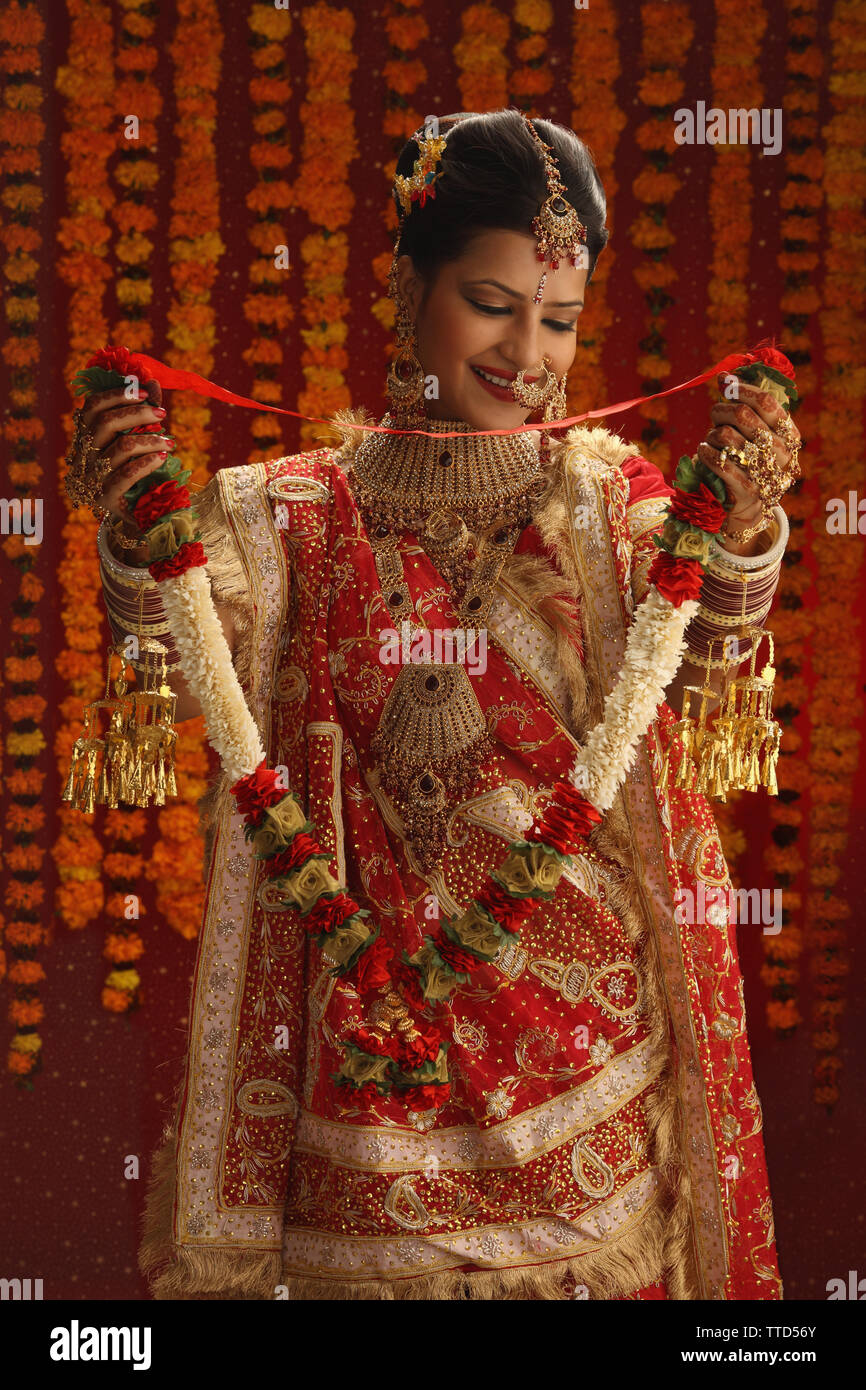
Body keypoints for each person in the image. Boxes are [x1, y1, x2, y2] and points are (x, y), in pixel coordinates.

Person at [75, 110, 798, 1300]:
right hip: (362, 1079)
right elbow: (170, 641)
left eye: (559, 319)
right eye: (493, 302)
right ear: (406, 290)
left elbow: (708, 651)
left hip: (585, 1077)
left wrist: (746, 517)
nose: (530, 352)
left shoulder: (603, 502)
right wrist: (130, 516)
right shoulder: (291, 514)